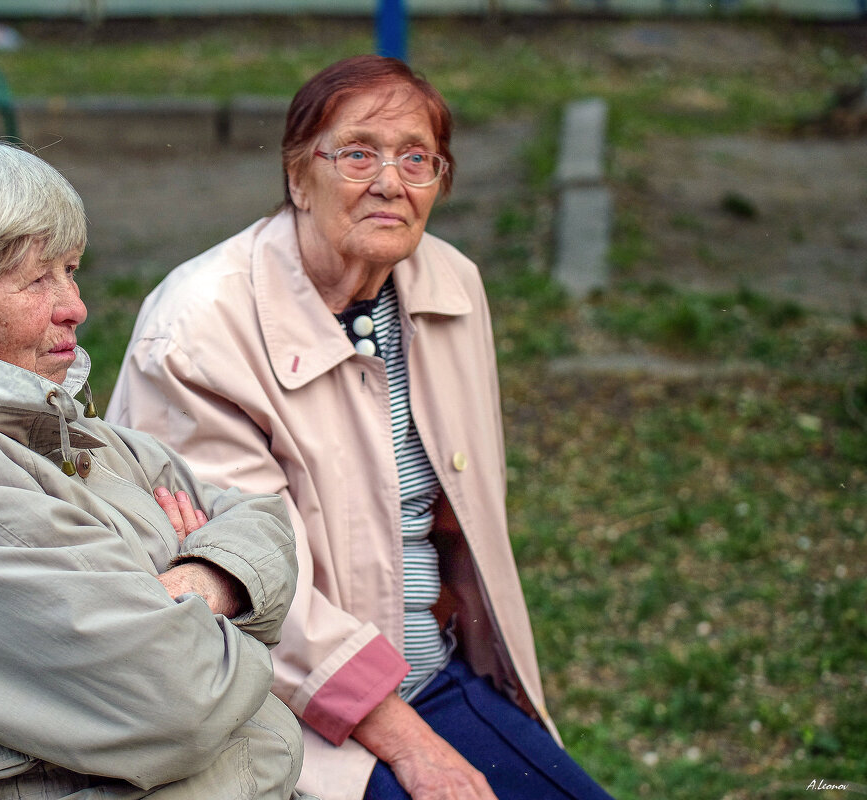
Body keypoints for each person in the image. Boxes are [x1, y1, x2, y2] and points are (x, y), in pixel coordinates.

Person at [108, 56, 614, 800]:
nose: (390, 182)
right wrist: (414, 747)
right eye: (357, 153)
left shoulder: (449, 288)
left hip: (432, 675)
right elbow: (249, 587)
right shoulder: (199, 328)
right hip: (272, 716)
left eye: (417, 158)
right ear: (296, 175)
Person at [0, 139, 315, 800]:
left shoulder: (45, 421)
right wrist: (214, 605)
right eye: (36, 279)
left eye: (71, 270)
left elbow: (262, 518)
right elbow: (176, 696)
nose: (75, 304)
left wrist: (201, 582)